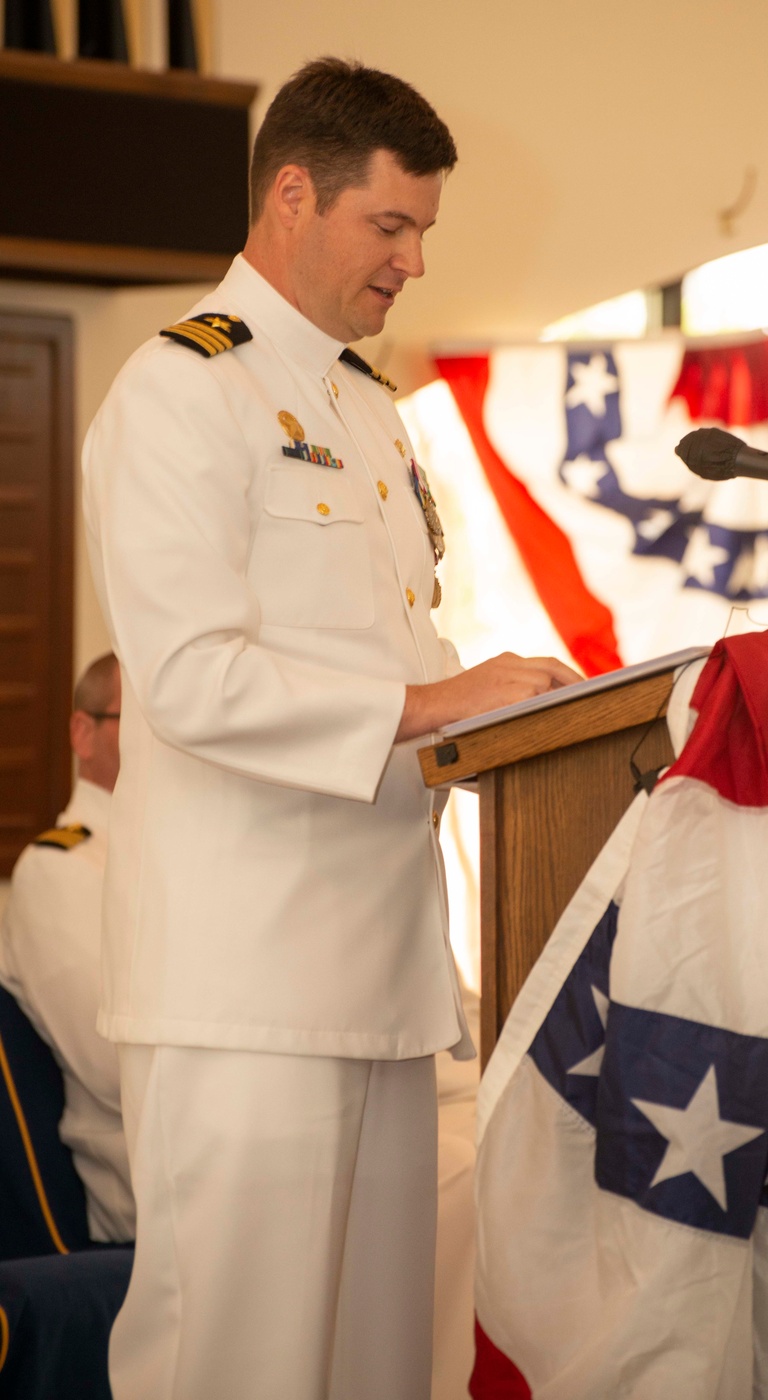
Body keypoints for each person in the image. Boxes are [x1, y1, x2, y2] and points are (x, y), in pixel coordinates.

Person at [83, 57, 577, 1400]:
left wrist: (509, 713)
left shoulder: (366, 411)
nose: (413, 262)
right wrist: (436, 703)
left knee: (373, 1373)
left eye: (424, 231)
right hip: (244, 990)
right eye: (391, 225)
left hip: (381, 978)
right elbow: (186, 678)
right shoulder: (185, 392)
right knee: (230, 1369)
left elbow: (393, 665)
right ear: (293, 194)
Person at [0, 652, 134, 1244]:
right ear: (84, 732)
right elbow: (114, 1067)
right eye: (147, 723)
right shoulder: (58, 868)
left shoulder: (206, 857)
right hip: (143, 1171)